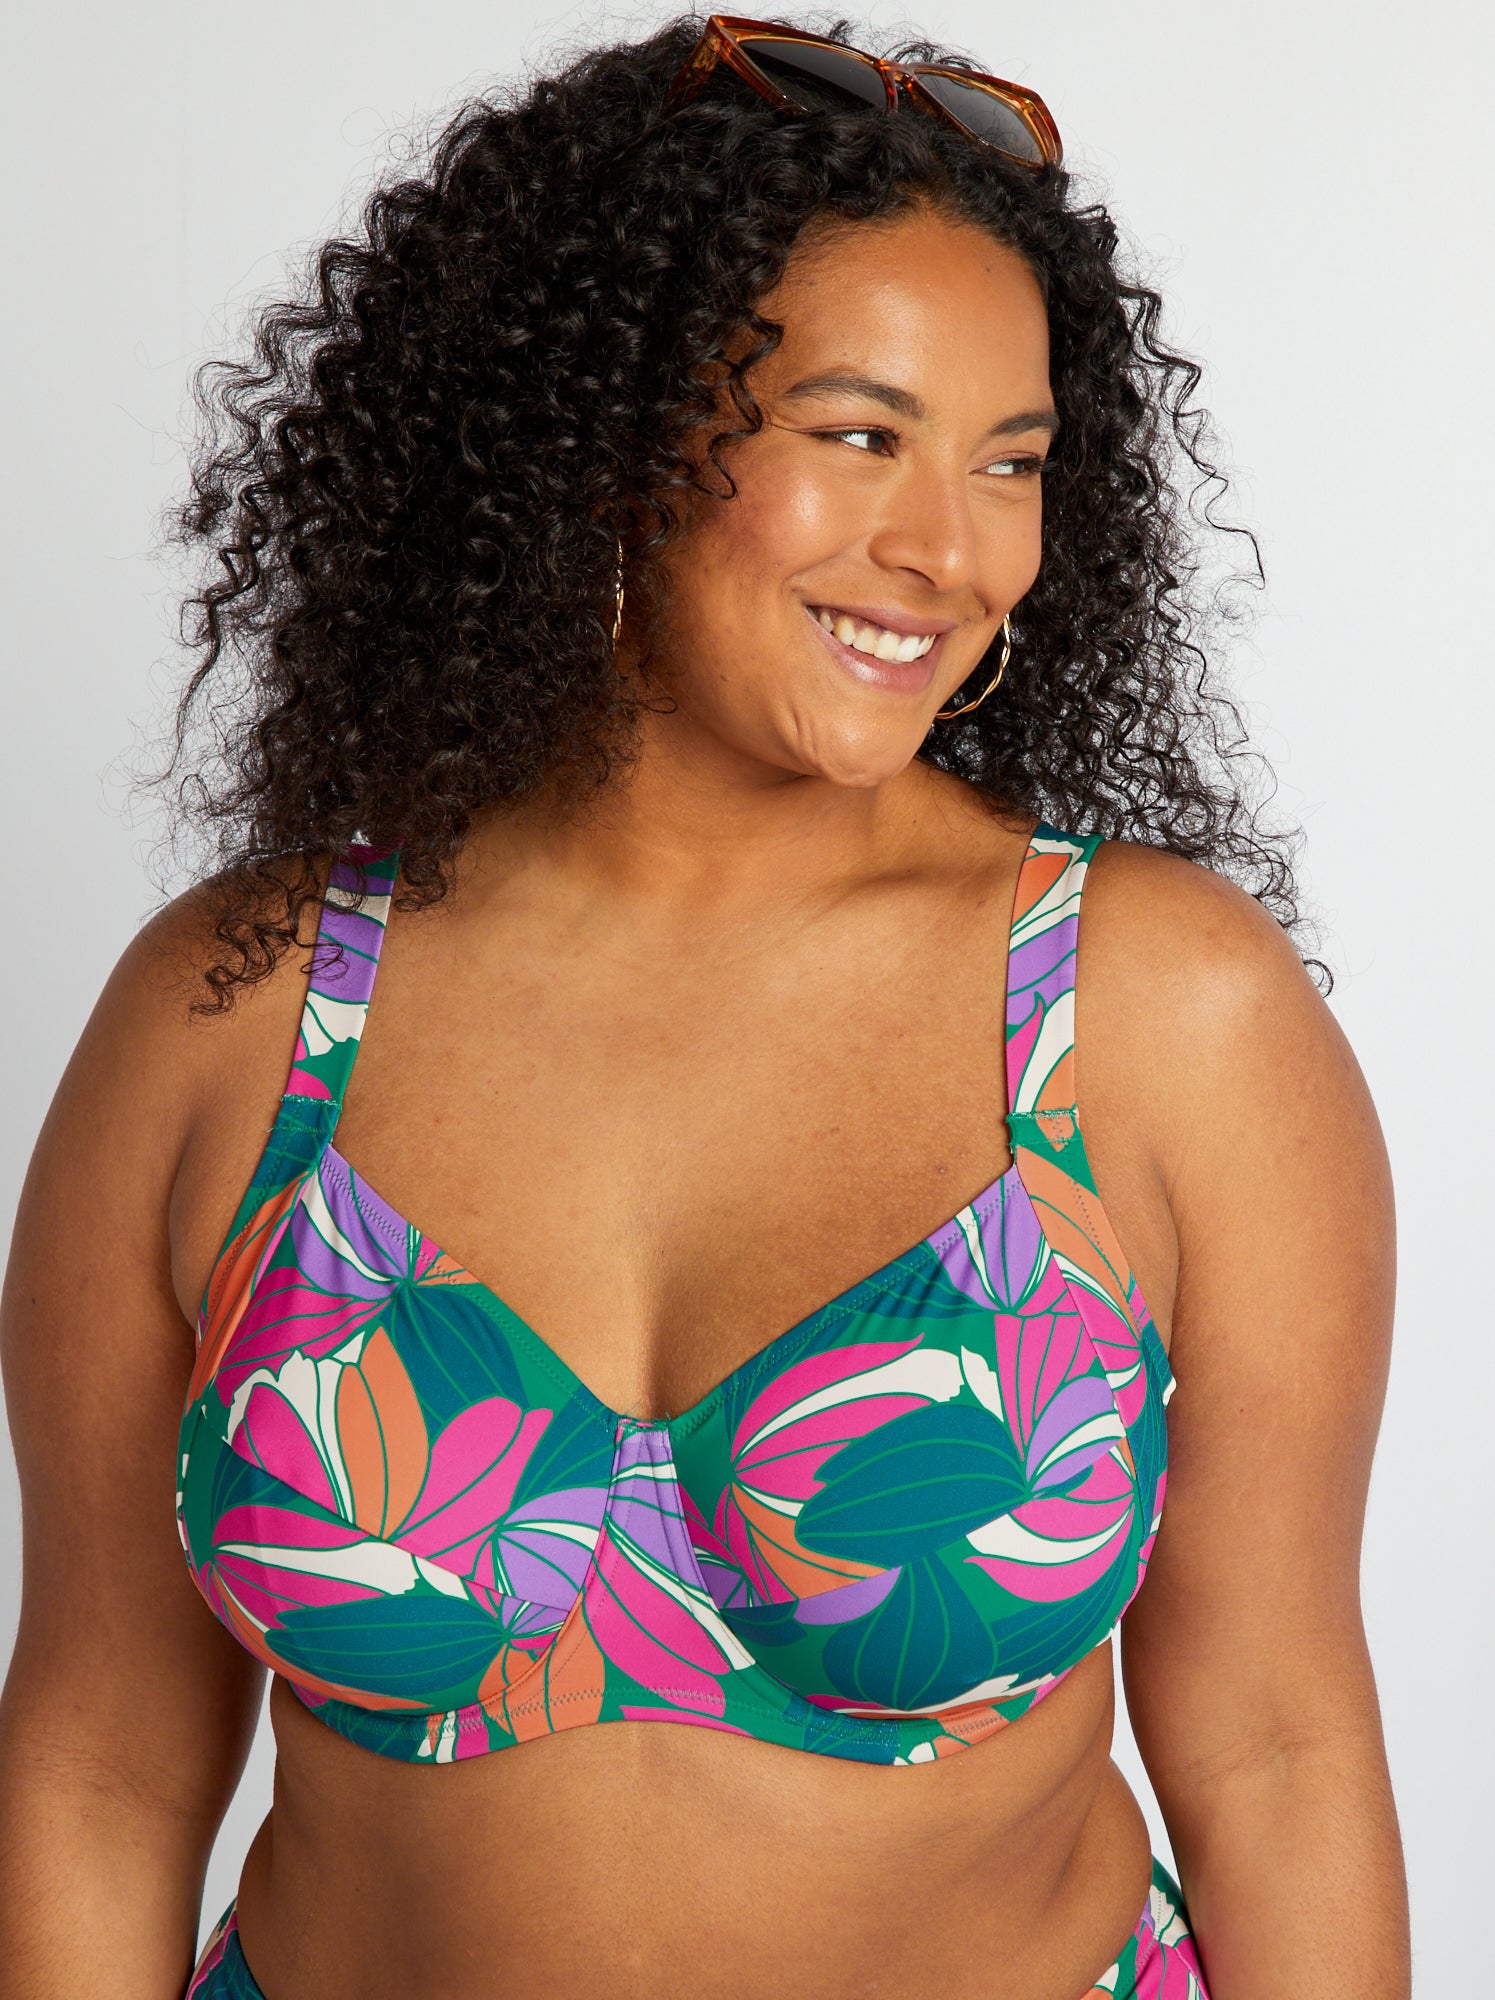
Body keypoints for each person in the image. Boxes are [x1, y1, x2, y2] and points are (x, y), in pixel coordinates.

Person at [0, 14, 1409, 1998]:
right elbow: (100, 1766)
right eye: (859, 435)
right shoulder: (237, 1012)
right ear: (606, 439)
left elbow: (1274, 1747)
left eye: (1010, 463)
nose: (950, 551)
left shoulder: (1158, 1012)